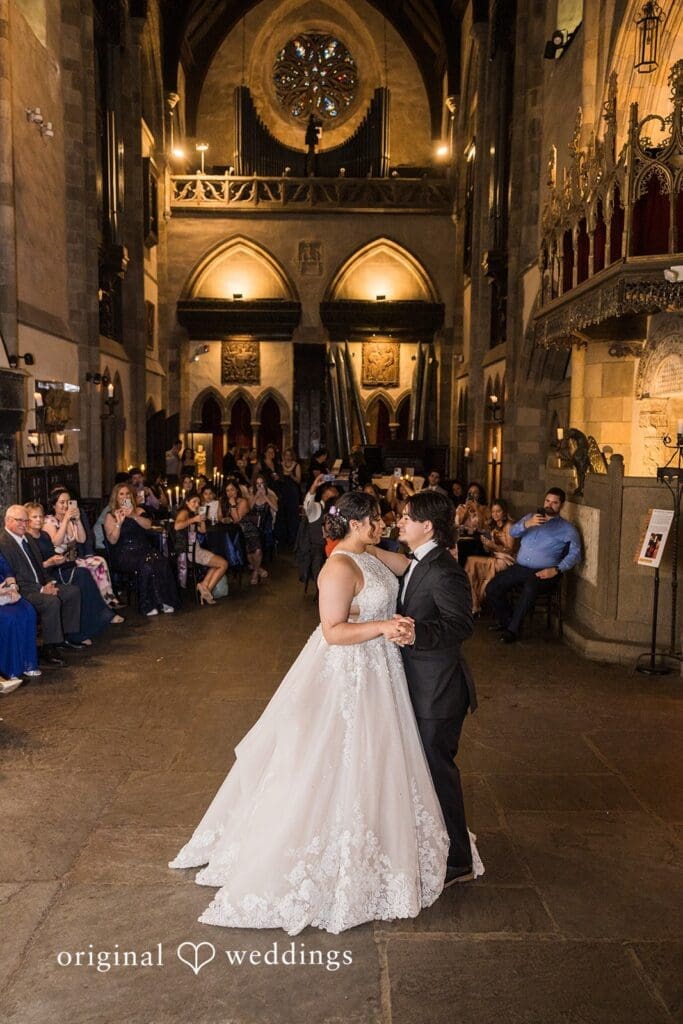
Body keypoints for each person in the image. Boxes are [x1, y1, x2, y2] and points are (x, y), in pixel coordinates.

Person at [169, 491, 467, 933]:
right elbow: (332, 631)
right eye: (374, 520)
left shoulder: (369, 556)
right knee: (337, 759)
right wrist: (383, 625)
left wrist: (415, 561)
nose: (383, 524)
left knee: (379, 760)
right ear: (354, 523)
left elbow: (411, 569)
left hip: (381, 673)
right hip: (352, 671)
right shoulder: (338, 567)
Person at [369, 490, 482, 884]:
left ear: (427, 525)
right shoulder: (422, 560)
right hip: (421, 685)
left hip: (439, 691)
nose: (399, 522)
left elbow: (461, 624)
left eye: (406, 517)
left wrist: (416, 632)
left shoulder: (444, 570)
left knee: (438, 773)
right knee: (427, 771)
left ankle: (458, 862)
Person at [486, 487, 582, 643]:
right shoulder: (531, 517)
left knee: (530, 587)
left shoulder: (567, 529)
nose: (549, 505)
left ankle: (512, 630)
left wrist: (557, 570)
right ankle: (508, 621)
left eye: (554, 502)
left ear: (561, 505)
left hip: (544, 572)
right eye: (547, 501)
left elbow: (575, 554)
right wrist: (527, 524)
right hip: (520, 567)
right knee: (492, 588)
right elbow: (513, 533)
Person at [0, 506, 84, 666]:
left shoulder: (27, 538)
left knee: (72, 592)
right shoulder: (3, 543)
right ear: (8, 520)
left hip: (39, 584)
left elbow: (39, 566)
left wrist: (49, 582)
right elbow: (16, 577)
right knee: (50, 601)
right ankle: (49, 647)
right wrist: (41, 589)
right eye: (20, 521)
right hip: (22, 590)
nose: (24, 524)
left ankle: (64, 636)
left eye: (26, 520)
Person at [25, 503, 123, 637]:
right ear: (27, 520)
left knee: (84, 575)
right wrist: (49, 562)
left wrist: (58, 559)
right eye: (34, 517)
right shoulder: (27, 540)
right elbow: (31, 567)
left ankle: (91, 623)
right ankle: (95, 620)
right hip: (45, 576)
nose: (38, 520)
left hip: (56, 569)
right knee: (82, 576)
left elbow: (80, 540)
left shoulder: (44, 536)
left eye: (40, 516)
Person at [103, 483, 179, 617]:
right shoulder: (111, 515)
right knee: (147, 563)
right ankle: (148, 604)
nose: (125, 496)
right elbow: (112, 540)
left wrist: (133, 515)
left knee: (161, 560)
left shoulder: (138, 511)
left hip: (143, 548)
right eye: (121, 494)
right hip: (124, 552)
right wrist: (119, 523)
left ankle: (165, 601)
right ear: (116, 497)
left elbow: (148, 525)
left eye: (127, 494)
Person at [43, 488, 120, 608]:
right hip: (60, 563)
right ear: (54, 505)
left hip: (73, 559)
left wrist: (78, 520)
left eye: (68, 502)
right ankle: (101, 604)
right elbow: (56, 541)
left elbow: (82, 539)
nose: (65, 506)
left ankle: (108, 598)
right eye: (61, 502)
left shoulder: (71, 520)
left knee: (100, 561)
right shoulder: (49, 520)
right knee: (89, 571)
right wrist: (65, 520)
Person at [464, 499, 516, 614]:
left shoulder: (509, 525)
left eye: (498, 511)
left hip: (506, 560)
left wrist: (493, 545)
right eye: (493, 512)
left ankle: (476, 604)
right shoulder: (494, 527)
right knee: (470, 562)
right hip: (495, 557)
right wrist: (487, 545)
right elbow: (490, 549)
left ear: (504, 512)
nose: (495, 514)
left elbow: (510, 550)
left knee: (473, 564)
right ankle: (474, 602)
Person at [174, 495, 228, 604]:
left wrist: (201, 518)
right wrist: (194, 519)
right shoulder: (184, 512)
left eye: (198, 502)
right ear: (187, 502)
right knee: (223, 564)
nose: (197, 504)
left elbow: (202, 531)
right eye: (194, 501)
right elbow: (177, 526)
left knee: (219, 563)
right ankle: (206, 590)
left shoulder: (191, 514)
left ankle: (204, 586)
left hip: (194, 550)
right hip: (190, 551)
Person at [0, 552, 39, 687]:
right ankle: (8, 670)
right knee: (9, 618)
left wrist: (12, 587)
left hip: (4, 590)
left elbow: (6, 569)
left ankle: (27, 663)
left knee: (28, 611)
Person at [454, 482, 490, 566]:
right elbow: (458, 524)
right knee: (461, 546)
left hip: (478, 538)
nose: (472, 495)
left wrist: (476, 508)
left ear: (480, 495)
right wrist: (466, 509)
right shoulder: (461, 507)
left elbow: (483, 526)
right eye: (470, 492)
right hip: (463, 538)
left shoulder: (485, 509)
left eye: (475, 492)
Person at [275, 447, 302, 545]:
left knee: (292, 515)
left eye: (289, 455)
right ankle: (282, 538)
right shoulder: (280, 464)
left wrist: (292, 476)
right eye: (286, 455)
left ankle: (293, 538)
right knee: (282, 514)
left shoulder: (296, 465)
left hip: (292, 492)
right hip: (282, 491)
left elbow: (298, 481)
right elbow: (278, 477)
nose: (287, 457)